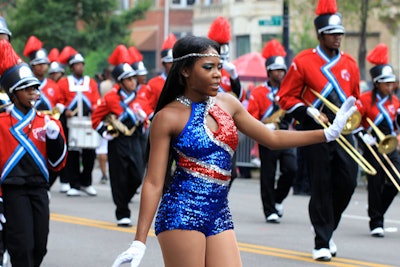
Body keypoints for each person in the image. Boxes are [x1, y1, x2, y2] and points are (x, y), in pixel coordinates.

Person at [111, 35, 357, 267]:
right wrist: (138, 242)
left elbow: (271, 137)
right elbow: (154, 183)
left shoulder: (228, 103)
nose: (218, 74)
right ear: (185, 71)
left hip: (218, 212)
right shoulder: (167, 117)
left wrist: (327, 134)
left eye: (219, 67)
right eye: (208, 67)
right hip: (181, 213)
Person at [277, 0, 360, 261]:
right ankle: (321, 241)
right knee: (321, 185)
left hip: (344, 130)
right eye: (332, 34)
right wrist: (309, 111)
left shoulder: (349, 63)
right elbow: (286, 97)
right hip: (316, 130)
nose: (337, 38)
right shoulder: (303, 61)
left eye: (340, 34)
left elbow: (356, 98)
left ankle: (327, 228)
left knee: (348, 181)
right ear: (320, 35)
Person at [0, 39, 67, 267]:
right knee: (23, 246)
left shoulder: (48, 122)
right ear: (13, 93)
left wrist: (55, 139)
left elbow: (57, 163)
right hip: (12, 190)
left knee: (40, 246)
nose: (33, 92)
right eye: (27, 88)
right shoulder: (1, 123)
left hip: (39, 189)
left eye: (35, 87)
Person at [92, 45, 150, 227]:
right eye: (129, 79)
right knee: (118, 176)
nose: (133, 81)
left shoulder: (141, 96)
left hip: (136, 140)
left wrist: (145, 118)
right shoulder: (110, 98)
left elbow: (147, 115)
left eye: (133, 78)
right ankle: (122, 211)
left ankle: (125, 197)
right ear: (121, 82)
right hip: (117, 140)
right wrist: (104, 132)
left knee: (137, 175)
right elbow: (95, 117)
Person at [247, 39, 296, 224]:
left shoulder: (289, 92)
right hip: (267, 135)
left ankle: (277, 199)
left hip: (285, 135)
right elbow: (250, 115)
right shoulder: (259, 93)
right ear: (269, 72)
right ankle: (269, 210)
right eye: (277, 70)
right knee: (267, 174)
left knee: (292, 169)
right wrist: (262, 125)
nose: (281, 74)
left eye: (283, 70)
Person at [356, 43, 400, 238]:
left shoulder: (396, 102)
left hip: (390, 146)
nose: (390, 87)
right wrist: (362, 135)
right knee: (375, 182)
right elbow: (354, 121)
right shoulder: (365, 99)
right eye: (386, 83)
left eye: (392, 83)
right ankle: (376, 221)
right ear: (377, 83)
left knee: (396, 180)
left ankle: (378, 211)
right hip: (372, 145)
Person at [57, 46, 101, 197]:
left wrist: (95, 107)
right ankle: (74, 184)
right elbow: (58, 102)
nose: (80, 67)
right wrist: (65, 110)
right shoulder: (64, 82)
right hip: (71, 121)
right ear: (71, 67)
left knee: (90, 152)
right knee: (73, 153)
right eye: (76, 65)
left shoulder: (91, 82)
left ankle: (86, 182)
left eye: (81, 64)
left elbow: (96, 100)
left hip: (88, 121)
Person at [208, 16, 244, 187]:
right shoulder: (205, 71)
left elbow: (240, 99)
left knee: (231, 173)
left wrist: (235, 76)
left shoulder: (230, 75)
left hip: (228, 128)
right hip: (208, 125)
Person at [146, 34, 176, 117]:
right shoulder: (153, 84)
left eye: (176, 63)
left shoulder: (185, 82)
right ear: (164, 64)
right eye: (170, 63)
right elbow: (149, 108)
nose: (174, 65)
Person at [96, 65, 115, 185]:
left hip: (104, 116)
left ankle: (104, 174)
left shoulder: (102, 85)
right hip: (117, 118)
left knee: (102, 147)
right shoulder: (117, 86)